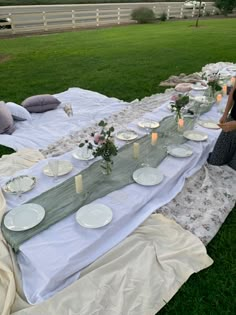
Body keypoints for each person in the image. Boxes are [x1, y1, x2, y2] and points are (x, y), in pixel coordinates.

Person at [208, 80, 236, 170]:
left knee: (233, 167)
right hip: (232, 120)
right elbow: (233, 93)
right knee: (215, 160)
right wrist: (225, 114)